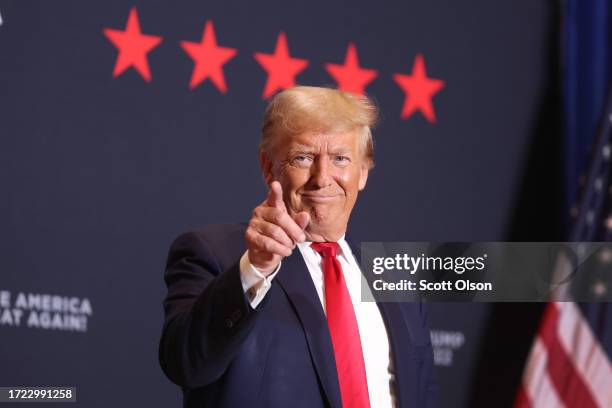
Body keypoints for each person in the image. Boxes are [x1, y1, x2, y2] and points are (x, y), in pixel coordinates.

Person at [159, 86, 437, 408]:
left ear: (362, 172)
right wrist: (256, 268)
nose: (322, 177)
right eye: (302, 157)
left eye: (340, 159)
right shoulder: (216, 254)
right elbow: (186, 364)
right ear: (268, 166)